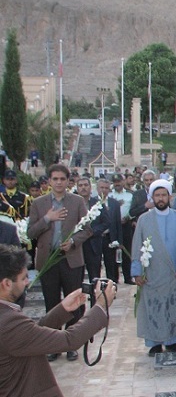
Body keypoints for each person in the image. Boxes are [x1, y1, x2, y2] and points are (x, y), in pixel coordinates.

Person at [0, 244, 116, 397]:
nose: (27, 282)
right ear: (7, 284)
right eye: (23, 278)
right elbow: (69, 340)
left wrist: (62, 309)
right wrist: (101, 306)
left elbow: (28, 337)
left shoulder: (7, 318)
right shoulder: (8, 322)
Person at [27, 164, 92, 362]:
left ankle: (71, 344)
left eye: (62, 179)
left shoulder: (77, 201)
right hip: (48, 260)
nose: (58, 182)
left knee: (74, 302)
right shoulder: (38, 203)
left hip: (70, 259)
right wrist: (48, 218)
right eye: (55, 179)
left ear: (67, 181)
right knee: (52, 303)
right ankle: (53, 345)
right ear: (49, 181)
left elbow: (87, 229)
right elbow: (30, 232)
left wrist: (73, 242)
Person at [131, 179, 176, 356]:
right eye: (157, 195)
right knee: (154, 307)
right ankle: (154, 342)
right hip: (152, 274)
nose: (160, 198)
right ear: (152, 198)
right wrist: (137, 272)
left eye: (163, 195)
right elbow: (137, 246)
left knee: (174, 307)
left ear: (169, 197)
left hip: (174, 274)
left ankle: (172, 341)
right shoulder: (144, 219)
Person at [76, 177, 110, 282]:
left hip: (93, 244)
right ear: (77, 188)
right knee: (77, 277)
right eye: (80, 185)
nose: (83, 188)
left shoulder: (98, 203)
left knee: (94, 277)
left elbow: (106, 222)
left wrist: (92, 232)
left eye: (86, 185)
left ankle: (95, 292)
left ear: (91, 188)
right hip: (77, 245)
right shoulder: (72, 204)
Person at [97, 179, 123, 283]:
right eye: (102, 187)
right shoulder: (92, 202)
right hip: (96, 237)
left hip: (110, 237)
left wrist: (119, 241)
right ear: (97, 189)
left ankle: (112, 284)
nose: (104, 190)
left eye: (106, 188)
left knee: (111, 263)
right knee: (96, 264)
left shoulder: (114, 203)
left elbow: (118, 223)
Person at [109, 174, 134, 284]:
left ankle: (128, 277)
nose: (117, 184)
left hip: (126, 225)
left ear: (123, 182)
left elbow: (133, 209)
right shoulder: (109, 195)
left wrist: (129, 217)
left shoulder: (130, 194)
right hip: (113, 227)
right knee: (113, 252)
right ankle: (114, 278)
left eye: (119, 181)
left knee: (126, 251)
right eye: (115, 182)